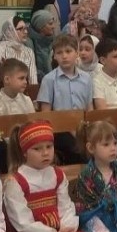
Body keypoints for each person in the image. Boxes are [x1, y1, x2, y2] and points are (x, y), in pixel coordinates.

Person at [36, 34, 92, 164]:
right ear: (54, 56)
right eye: (59, 53)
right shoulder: (49, 80)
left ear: (76, 53)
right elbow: (46, 114)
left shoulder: (86, 79)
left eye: (68, 51)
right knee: (74, 148)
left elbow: (89, 108)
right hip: (59, 130)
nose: (64, 56)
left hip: (83, 129)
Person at [0, 17, 38, 85]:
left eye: (25, 28)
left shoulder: (29, 51)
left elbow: (33, 79)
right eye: (20, 29)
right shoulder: (1, 49)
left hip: (25, 88)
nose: (26, 32)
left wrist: (33, 90)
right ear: (10, 31)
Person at [27, 11, 56, 81]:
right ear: (40, 26)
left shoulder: (53, 40)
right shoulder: (29, 43)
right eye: (50, 24)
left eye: (53, 23)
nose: (53, 26)